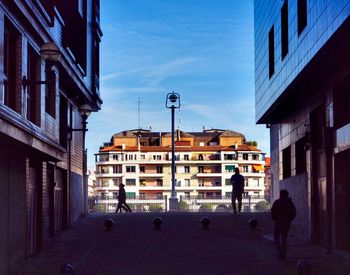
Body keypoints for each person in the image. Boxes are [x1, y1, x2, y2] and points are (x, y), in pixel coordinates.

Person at [271, 189, 296, 259]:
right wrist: (289, 219)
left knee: (276, 237)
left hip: (278, 222)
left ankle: (280, 252)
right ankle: (283, 254)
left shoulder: (277, 202)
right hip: (286, 223)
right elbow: (294, 213)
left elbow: (273, 211)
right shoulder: (290, 203)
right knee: (284, 238)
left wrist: (275, 219)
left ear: (280, 195)